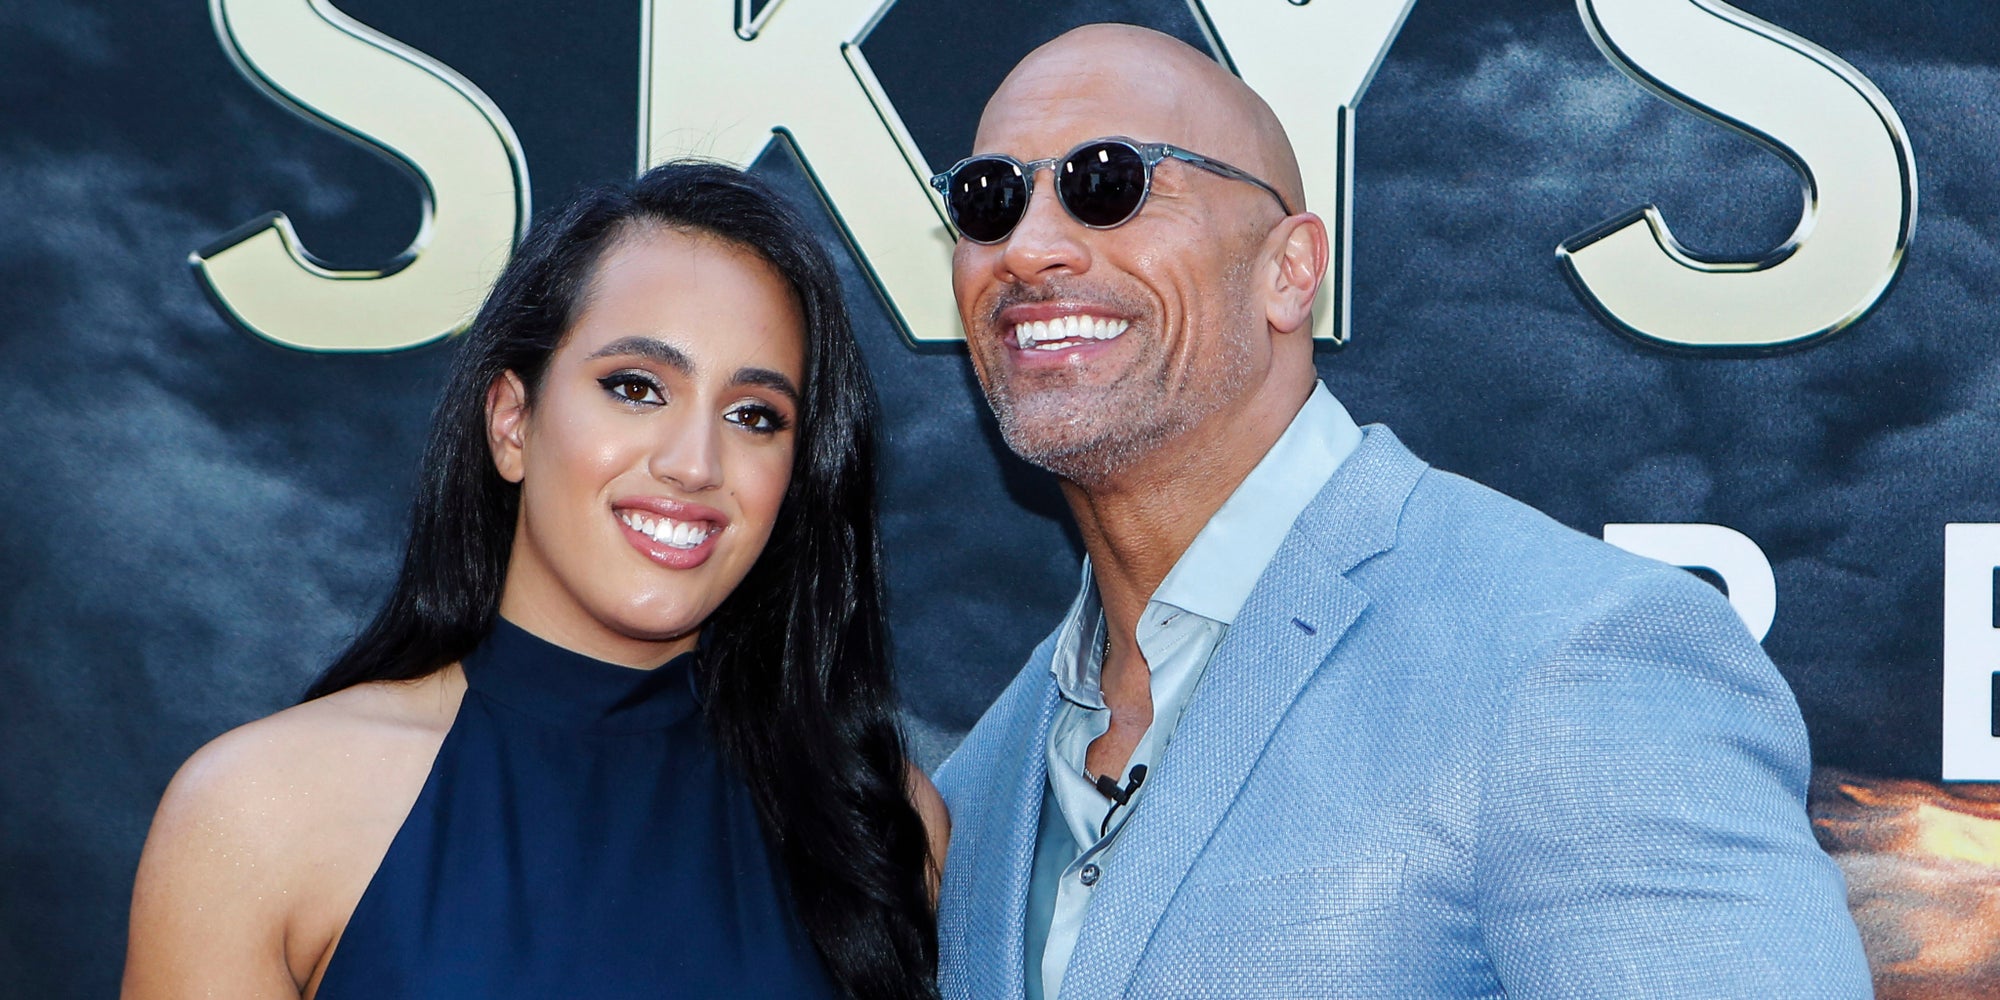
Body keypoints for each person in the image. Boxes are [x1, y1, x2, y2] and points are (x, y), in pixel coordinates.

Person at [931, 23, 1872, 999]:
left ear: (1288, 271)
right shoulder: (981, 782)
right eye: (986, 201)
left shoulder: (1572, 657)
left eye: (1105, 182)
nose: (1028, 248)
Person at [123, 162, 946, 999]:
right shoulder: (262, 812)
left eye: (754, 416)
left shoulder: (877, 824)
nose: (695, 464)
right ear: (512, 421)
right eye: (636, 388)